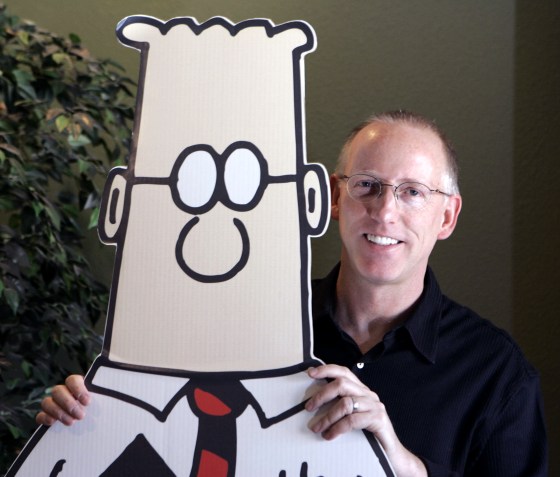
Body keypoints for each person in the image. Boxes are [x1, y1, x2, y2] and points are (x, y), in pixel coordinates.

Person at [36, 110, 547, 476]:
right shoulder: (245, 327)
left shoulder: (497, 374)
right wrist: (84, 422)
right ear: (331, 198)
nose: (386, 211)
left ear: (447, 217)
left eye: (413, 192)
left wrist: (399, 462)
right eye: (367, 184)